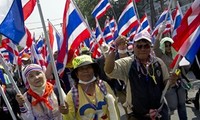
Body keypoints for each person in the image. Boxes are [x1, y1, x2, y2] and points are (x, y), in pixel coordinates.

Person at [104, 31, 178, 120]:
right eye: (139, 46)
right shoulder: (128, 63)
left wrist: (171, 81)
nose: (142, 49)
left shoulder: (158, 63)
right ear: (134, 47)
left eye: (146, 46)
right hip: (137, 115)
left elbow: (166, 83)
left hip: (160, 113)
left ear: (150, 47)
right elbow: (108, 70)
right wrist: (114, 46)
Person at [62, 54, 120, 120]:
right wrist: (66, 113)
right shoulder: (72, 95)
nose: (85, 71)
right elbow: (69, 118)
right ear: (76, 74)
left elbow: (115, 109)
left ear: (94, 70)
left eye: (88, 67)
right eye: (81, 69)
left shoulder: (103, 85)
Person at [154, 27, 188, 120]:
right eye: (166, 45)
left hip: (179, 83)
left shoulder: (177, 54)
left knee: (182, 105)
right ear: (163, 46)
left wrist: (177, 74)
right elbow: (155, 48)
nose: (168, 47)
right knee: (171, 106)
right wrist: (159, 34)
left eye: (170, 45)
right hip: (168, 85)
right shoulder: (161, 56)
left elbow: (179, 68)